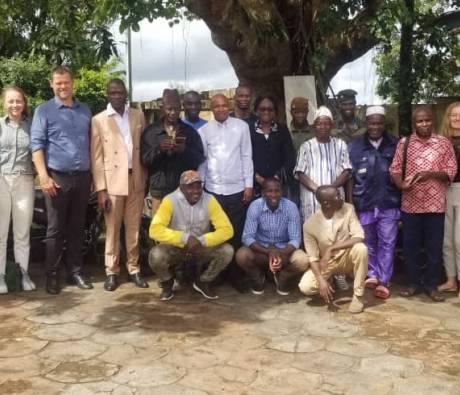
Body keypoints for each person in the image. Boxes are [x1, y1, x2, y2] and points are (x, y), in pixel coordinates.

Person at [30, 66, 93, 295]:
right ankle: (52, 275)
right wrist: (44, 177)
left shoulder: (85, 110)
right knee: (55, 229)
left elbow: (92, 145)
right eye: (58, 83)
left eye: (66, 82)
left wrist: (94, 177)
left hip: (83, 178)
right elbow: (36, 145)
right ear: (52, 84)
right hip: (57, 178)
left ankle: (75, 271)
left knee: (77, 227)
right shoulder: (43, 111)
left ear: (72, 83)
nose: (62, 86)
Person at [390, 106, 457, 302]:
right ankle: (412, 284)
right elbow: (394, 169)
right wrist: (401, 184)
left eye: (427, 120)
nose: (424, 124)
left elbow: (451, 170)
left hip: (436, 205)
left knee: (433, 247)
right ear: (414, 124)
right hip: (410, 204)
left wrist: (430, 174)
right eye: (420, 121)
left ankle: (432, 285)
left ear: (433, 121)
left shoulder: (443, 143)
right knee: (411, 247)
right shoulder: (405, 143)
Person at [91, 79, 148, 291]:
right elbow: (96, 158)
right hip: (112, 181)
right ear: (107, 94)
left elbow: (143, 146)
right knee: (113, 229)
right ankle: (111, 271)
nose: (116, 96)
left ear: (126, 93)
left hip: (136, 179)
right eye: (112, 92)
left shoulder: (138, 115)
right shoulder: (98, 120)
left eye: (120, 92)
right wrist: (101, 190)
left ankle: (134, 269)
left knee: (133, 228)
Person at [149, 170, 234, 300]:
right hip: (176, 248)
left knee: (227, 250)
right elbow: (154, 230)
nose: (196, 191)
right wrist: (184, 239)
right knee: (155, 255)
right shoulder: (170, 200)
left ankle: (203, 282)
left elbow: (227, 230)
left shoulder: (210, 200)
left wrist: (201, 241)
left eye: (198, 186)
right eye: (190, 187)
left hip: (199, 247)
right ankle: (167, 282)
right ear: (181, 187)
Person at [198, 94, 253, 289]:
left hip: (237, 189)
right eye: (217, 106)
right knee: (216, 234)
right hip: (213, 191)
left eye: (224, 105)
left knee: (235, 234)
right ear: (211, 108)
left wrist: (248, 184)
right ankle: (216, 274)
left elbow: (246, 155)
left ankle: (235, 276)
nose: (221, 109)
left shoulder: (241, 127)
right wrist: (201, 188)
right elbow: (203, 162)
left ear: (228, 106)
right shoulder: (204, 131)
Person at [294, 106, 352, 291]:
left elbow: (347, 170)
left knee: (338, 235)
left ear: (332, 125)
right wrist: (319, 191)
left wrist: (331, 189)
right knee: (316, 237)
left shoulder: (340, 144)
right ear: (314, 126)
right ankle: (320, 276)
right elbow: (300, 173)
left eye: (327, 124)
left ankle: (339, 273)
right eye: (320, 123)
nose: (323, 127)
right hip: (312, 199)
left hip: (335, 198)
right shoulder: (306, 146)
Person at [348, 106, 400, 299]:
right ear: (366, 123)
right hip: (365, 203)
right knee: (368, 241)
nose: (375, 127)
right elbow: (350, 177)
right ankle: (372, 274)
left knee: (388, 242)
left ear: (384, 124)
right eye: (371, 123)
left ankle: (384, 280)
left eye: (379, 123)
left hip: (388, 202)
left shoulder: (395, 144)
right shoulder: (354, 147)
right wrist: (351, 203)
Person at [298, 185, 368, 314]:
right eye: (337, 196)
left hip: (347, 257)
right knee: (306, 287)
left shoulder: (348, 209)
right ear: (326, 203)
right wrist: (320, 280)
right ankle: (329, 281)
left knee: (361, 249)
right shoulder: (309, 225)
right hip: (327, 263)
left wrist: (332, 248)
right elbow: (312, 258)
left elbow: (359, 236)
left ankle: (358, 296)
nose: (341, 197)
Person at [236, 178, 309, 295]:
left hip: (284, 250)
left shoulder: (291, 207)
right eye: (270, 191)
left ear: (282, 192)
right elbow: (247, 237)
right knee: (242, 255)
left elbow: (295, 239)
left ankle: (283, 277)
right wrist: (268, 252)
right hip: (261, 250)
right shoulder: (255, 206)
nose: (274, 195)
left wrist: (280, 253)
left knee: (302, 261)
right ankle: (258, 277)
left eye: (277, 191)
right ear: (263, 193)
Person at [141, 89, 204, 216]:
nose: (173, 113)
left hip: (184, 192)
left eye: (176, 109)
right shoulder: (151, 132)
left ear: (180, 108)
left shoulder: (190, 132)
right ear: (162, 108)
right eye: (169, 109)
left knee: (183, 232)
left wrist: (184, 151)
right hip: (159, 192)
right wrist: (160, 149)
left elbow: (198, 159)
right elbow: (144, 160)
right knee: (159, 233)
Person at [0, 86, 36, 293]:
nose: (15, 105)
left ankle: (24, 273)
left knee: (22, 232)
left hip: (25, 181)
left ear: (24, 103)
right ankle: (1, 276)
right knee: (1, 232)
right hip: (1, 180)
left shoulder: (31, 126)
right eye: (11, 101)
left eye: (19, 101)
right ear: (4, 103)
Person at [250, 96, 296, 198]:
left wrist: (276, 178)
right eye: (262, 109)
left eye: (270, 109)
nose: (266, 112)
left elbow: (290, 158)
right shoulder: (249, 130)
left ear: (275, 112)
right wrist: (257, 178)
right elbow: (244, 157)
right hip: (254, 187)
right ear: (256, 111)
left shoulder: (282, 130)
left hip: (279, 186)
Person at [439, 102, 460, 295]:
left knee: (459, 239)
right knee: (446, 240)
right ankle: (451, 280)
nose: (457, 119)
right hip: (444, 190)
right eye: (454, 115)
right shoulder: (442, 141)